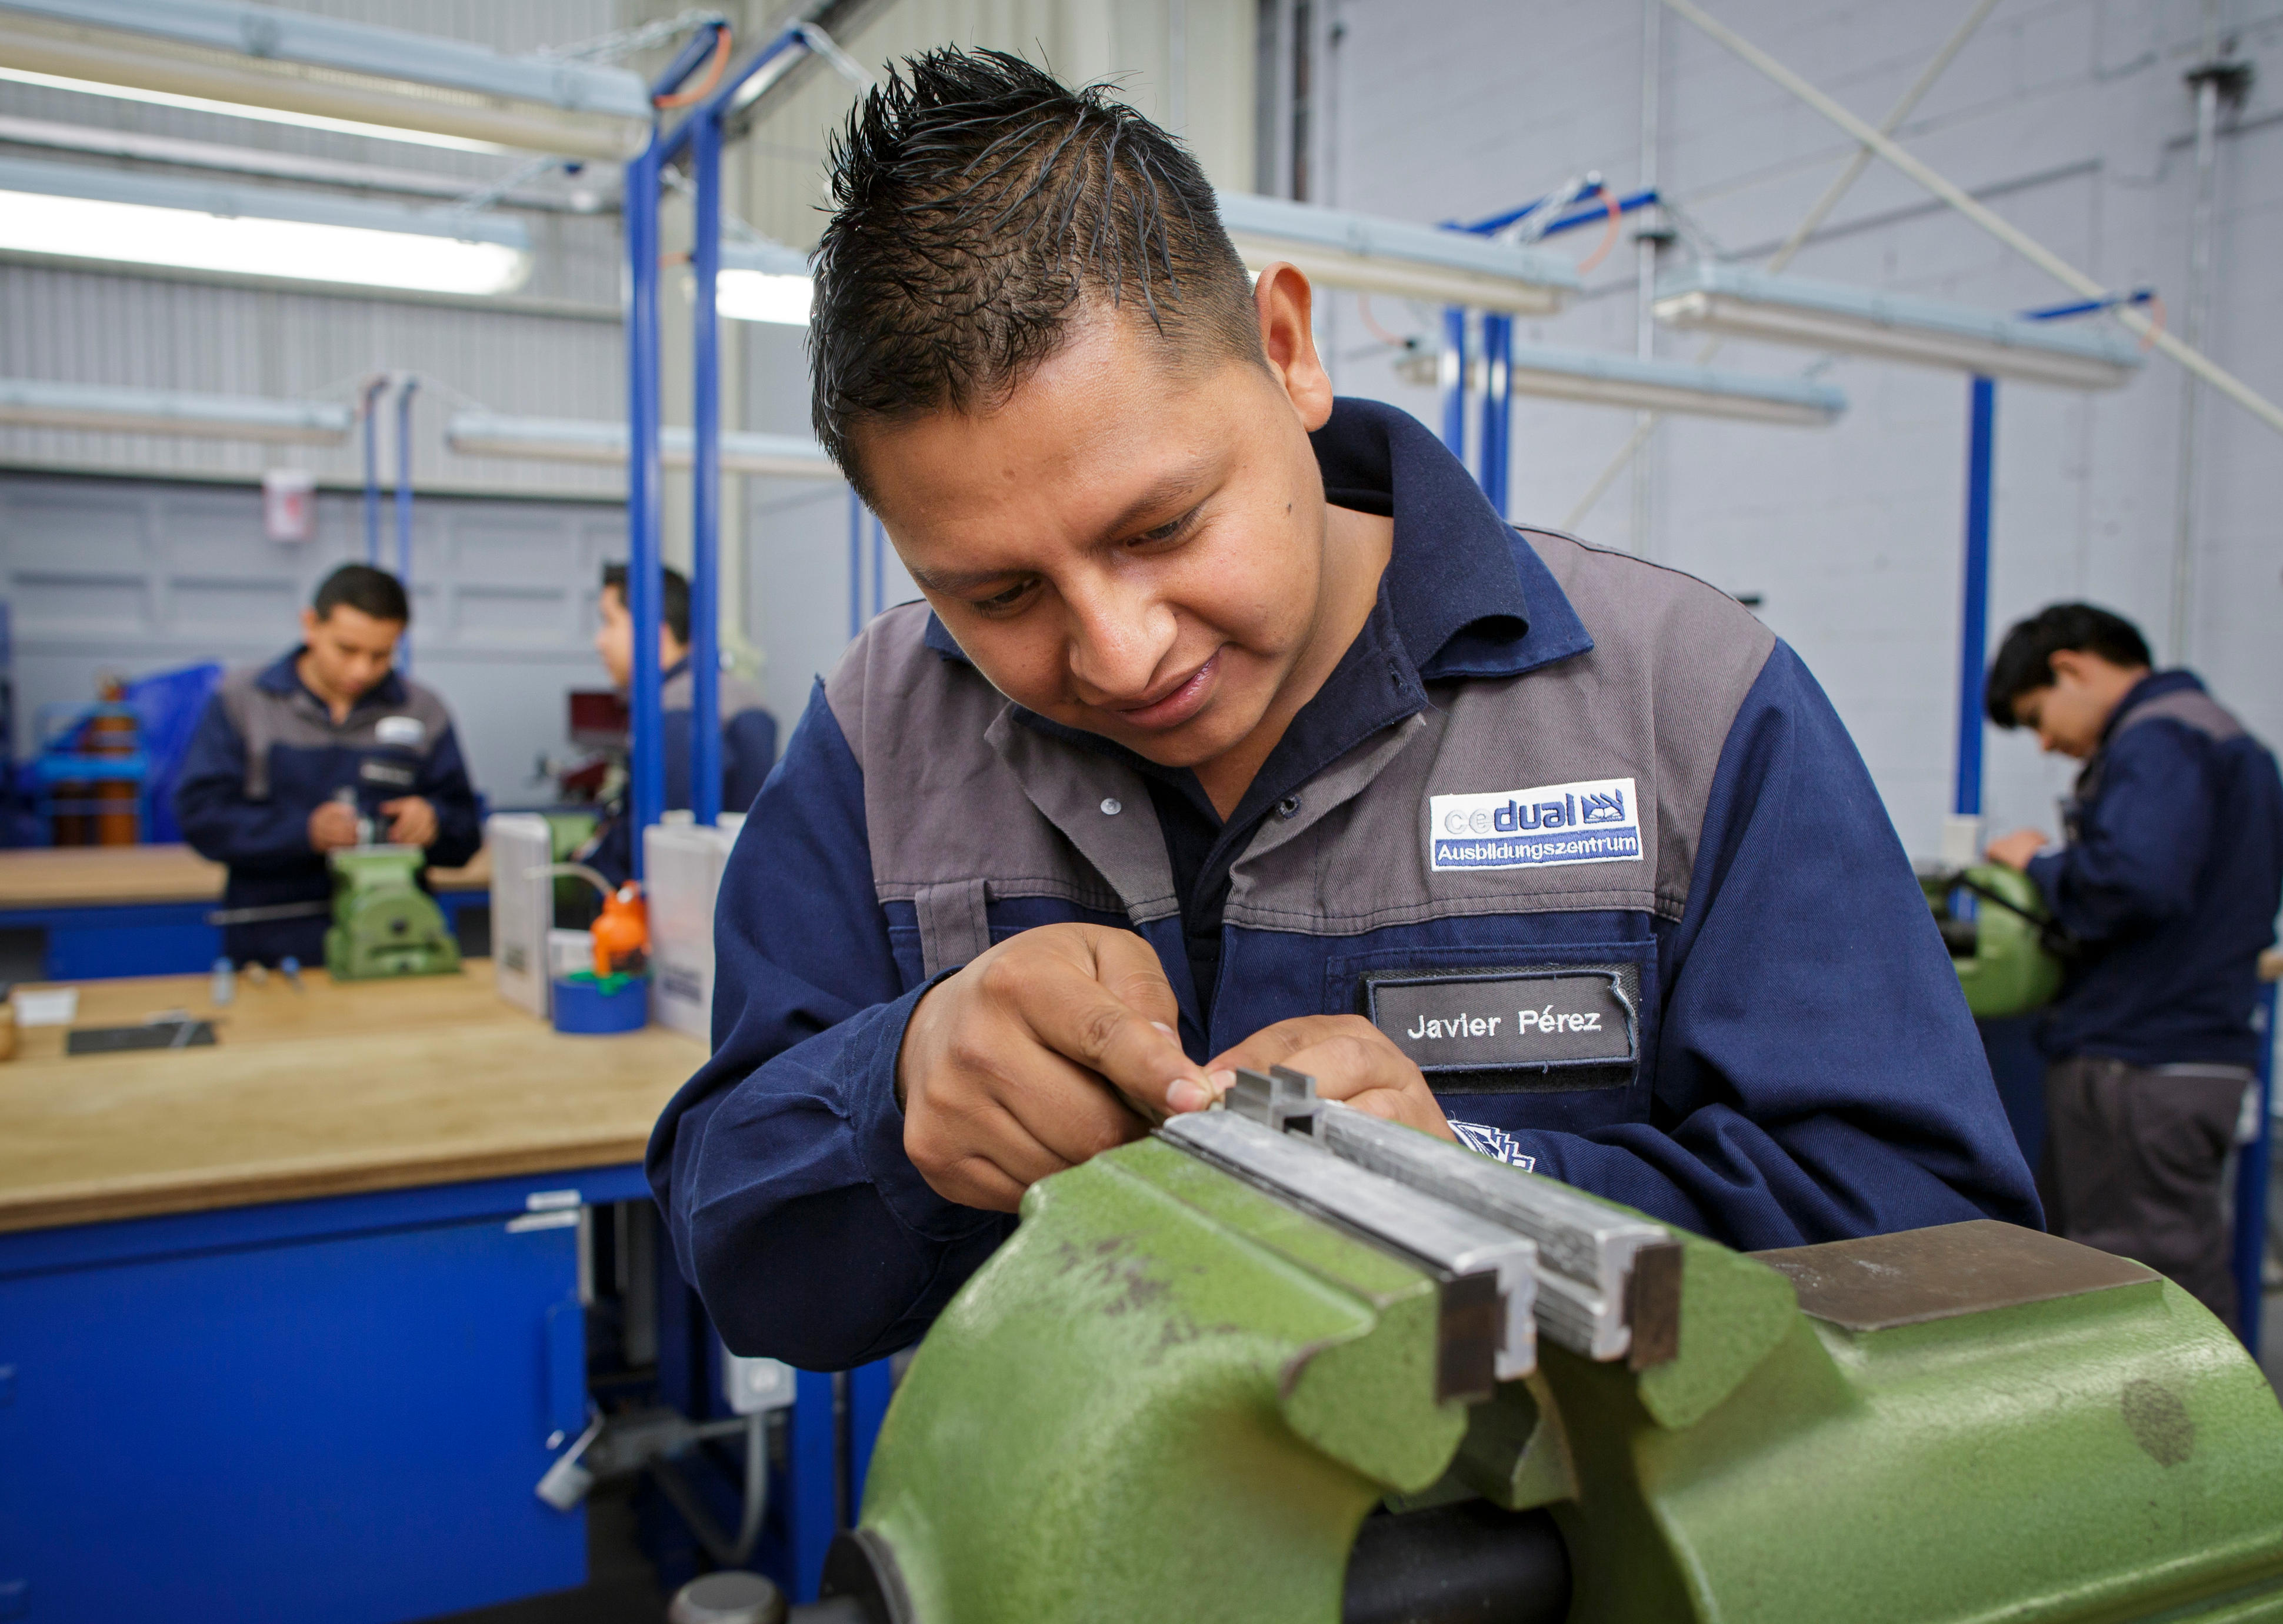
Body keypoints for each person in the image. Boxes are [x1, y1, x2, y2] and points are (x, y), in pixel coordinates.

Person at [647, 50, 2039, 1370]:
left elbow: (1933, 1250)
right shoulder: (878, 743)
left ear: (1286, 347)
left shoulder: (1683, 704)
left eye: (1163, 525)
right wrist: (892, 1096)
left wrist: (1488, 1182)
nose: (1120, 653)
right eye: (1000, 591)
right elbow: (735, 1245)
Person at [1982, 603, 2283, 1321]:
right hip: (2188, 1051)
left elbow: (2136, 882)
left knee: (2142, 1287)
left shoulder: (2159, 740)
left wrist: (2041, 862)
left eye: (2037, 718)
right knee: (2158, 1267)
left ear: (2071, 668)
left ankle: (2196, 1434)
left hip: (2139, 1063)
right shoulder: (2222, 736)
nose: (2047, 743)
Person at [176, 563, 482, 967]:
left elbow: (466, 830)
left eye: (381, 655)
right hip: (272, 947)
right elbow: (202, 817)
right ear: (310, 625)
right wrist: (303, 831)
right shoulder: (244, 701)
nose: (362, 670)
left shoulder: (423, 711)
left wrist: (434, 821)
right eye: (347, 649)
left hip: (392, 948)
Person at [578, 562, 779, 883]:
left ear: (652, 630)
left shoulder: (676, 711)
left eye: (609, 622)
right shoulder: (739, 694)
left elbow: (658, 841)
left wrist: (586, 868)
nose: (600, 641)